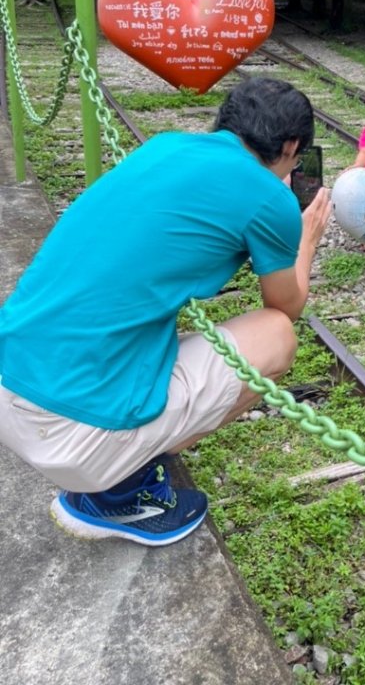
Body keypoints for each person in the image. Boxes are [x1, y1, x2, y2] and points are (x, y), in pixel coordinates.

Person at [0, 77, 332, 547]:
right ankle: (119, 494)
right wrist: (308, 236)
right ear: (293, 146)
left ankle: (117, 463)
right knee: (276, 336)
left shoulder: (163, 147)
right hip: (69, 434)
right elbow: (286, 304)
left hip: (11, 376)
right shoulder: (269, 196)